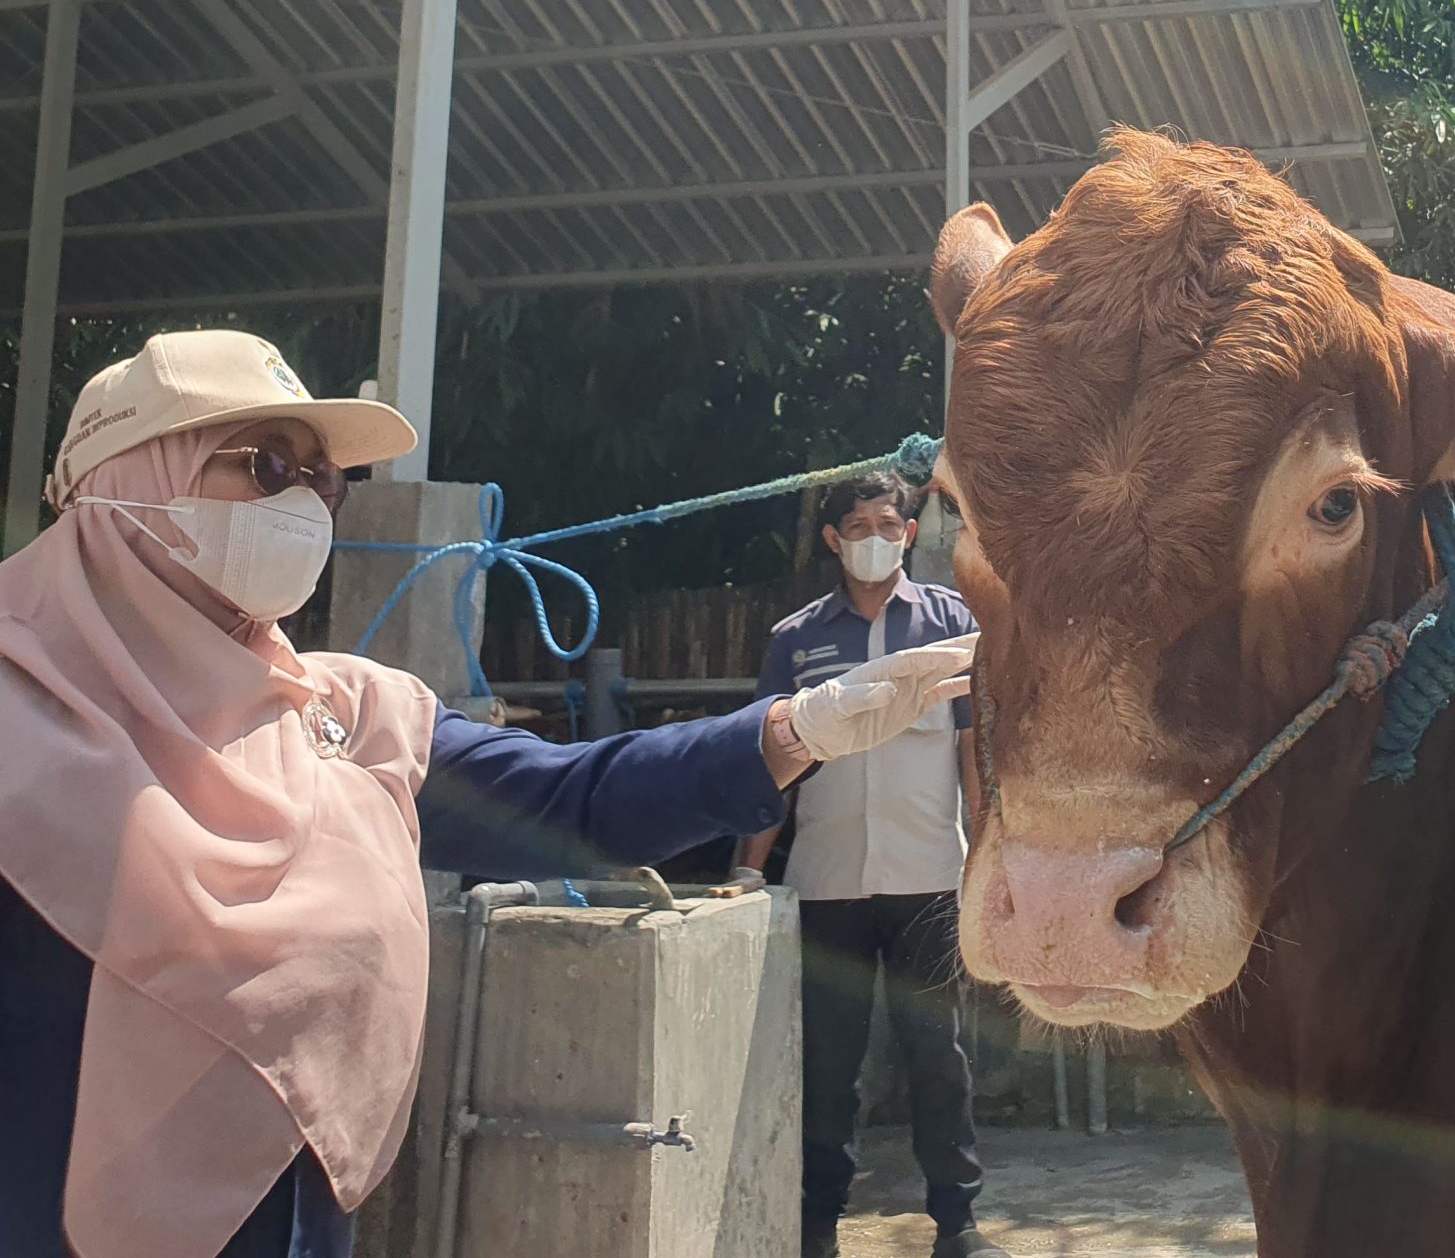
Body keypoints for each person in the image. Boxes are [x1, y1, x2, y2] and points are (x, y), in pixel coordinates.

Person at [0, 329, 977, 1258]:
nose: (300, 502)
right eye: (264, 466)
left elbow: (573, 803)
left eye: (322, 480)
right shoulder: (18, 719)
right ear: (131, 484)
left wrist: (797, 728)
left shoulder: (348, 718)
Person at [736, 474, 1001, 1258]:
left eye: (889, 523)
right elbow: (770, 761)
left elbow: (972, 750)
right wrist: (749, 869)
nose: (875, 536)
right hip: (828, 881)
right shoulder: (795, 639)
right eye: (858, 525)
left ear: (912, 534)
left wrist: (986, 848)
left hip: (929, 877)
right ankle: (818, 1225)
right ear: (833, 539)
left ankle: (957, 1222)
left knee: (936, 1055)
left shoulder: (955, 623)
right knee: (828, 1060)